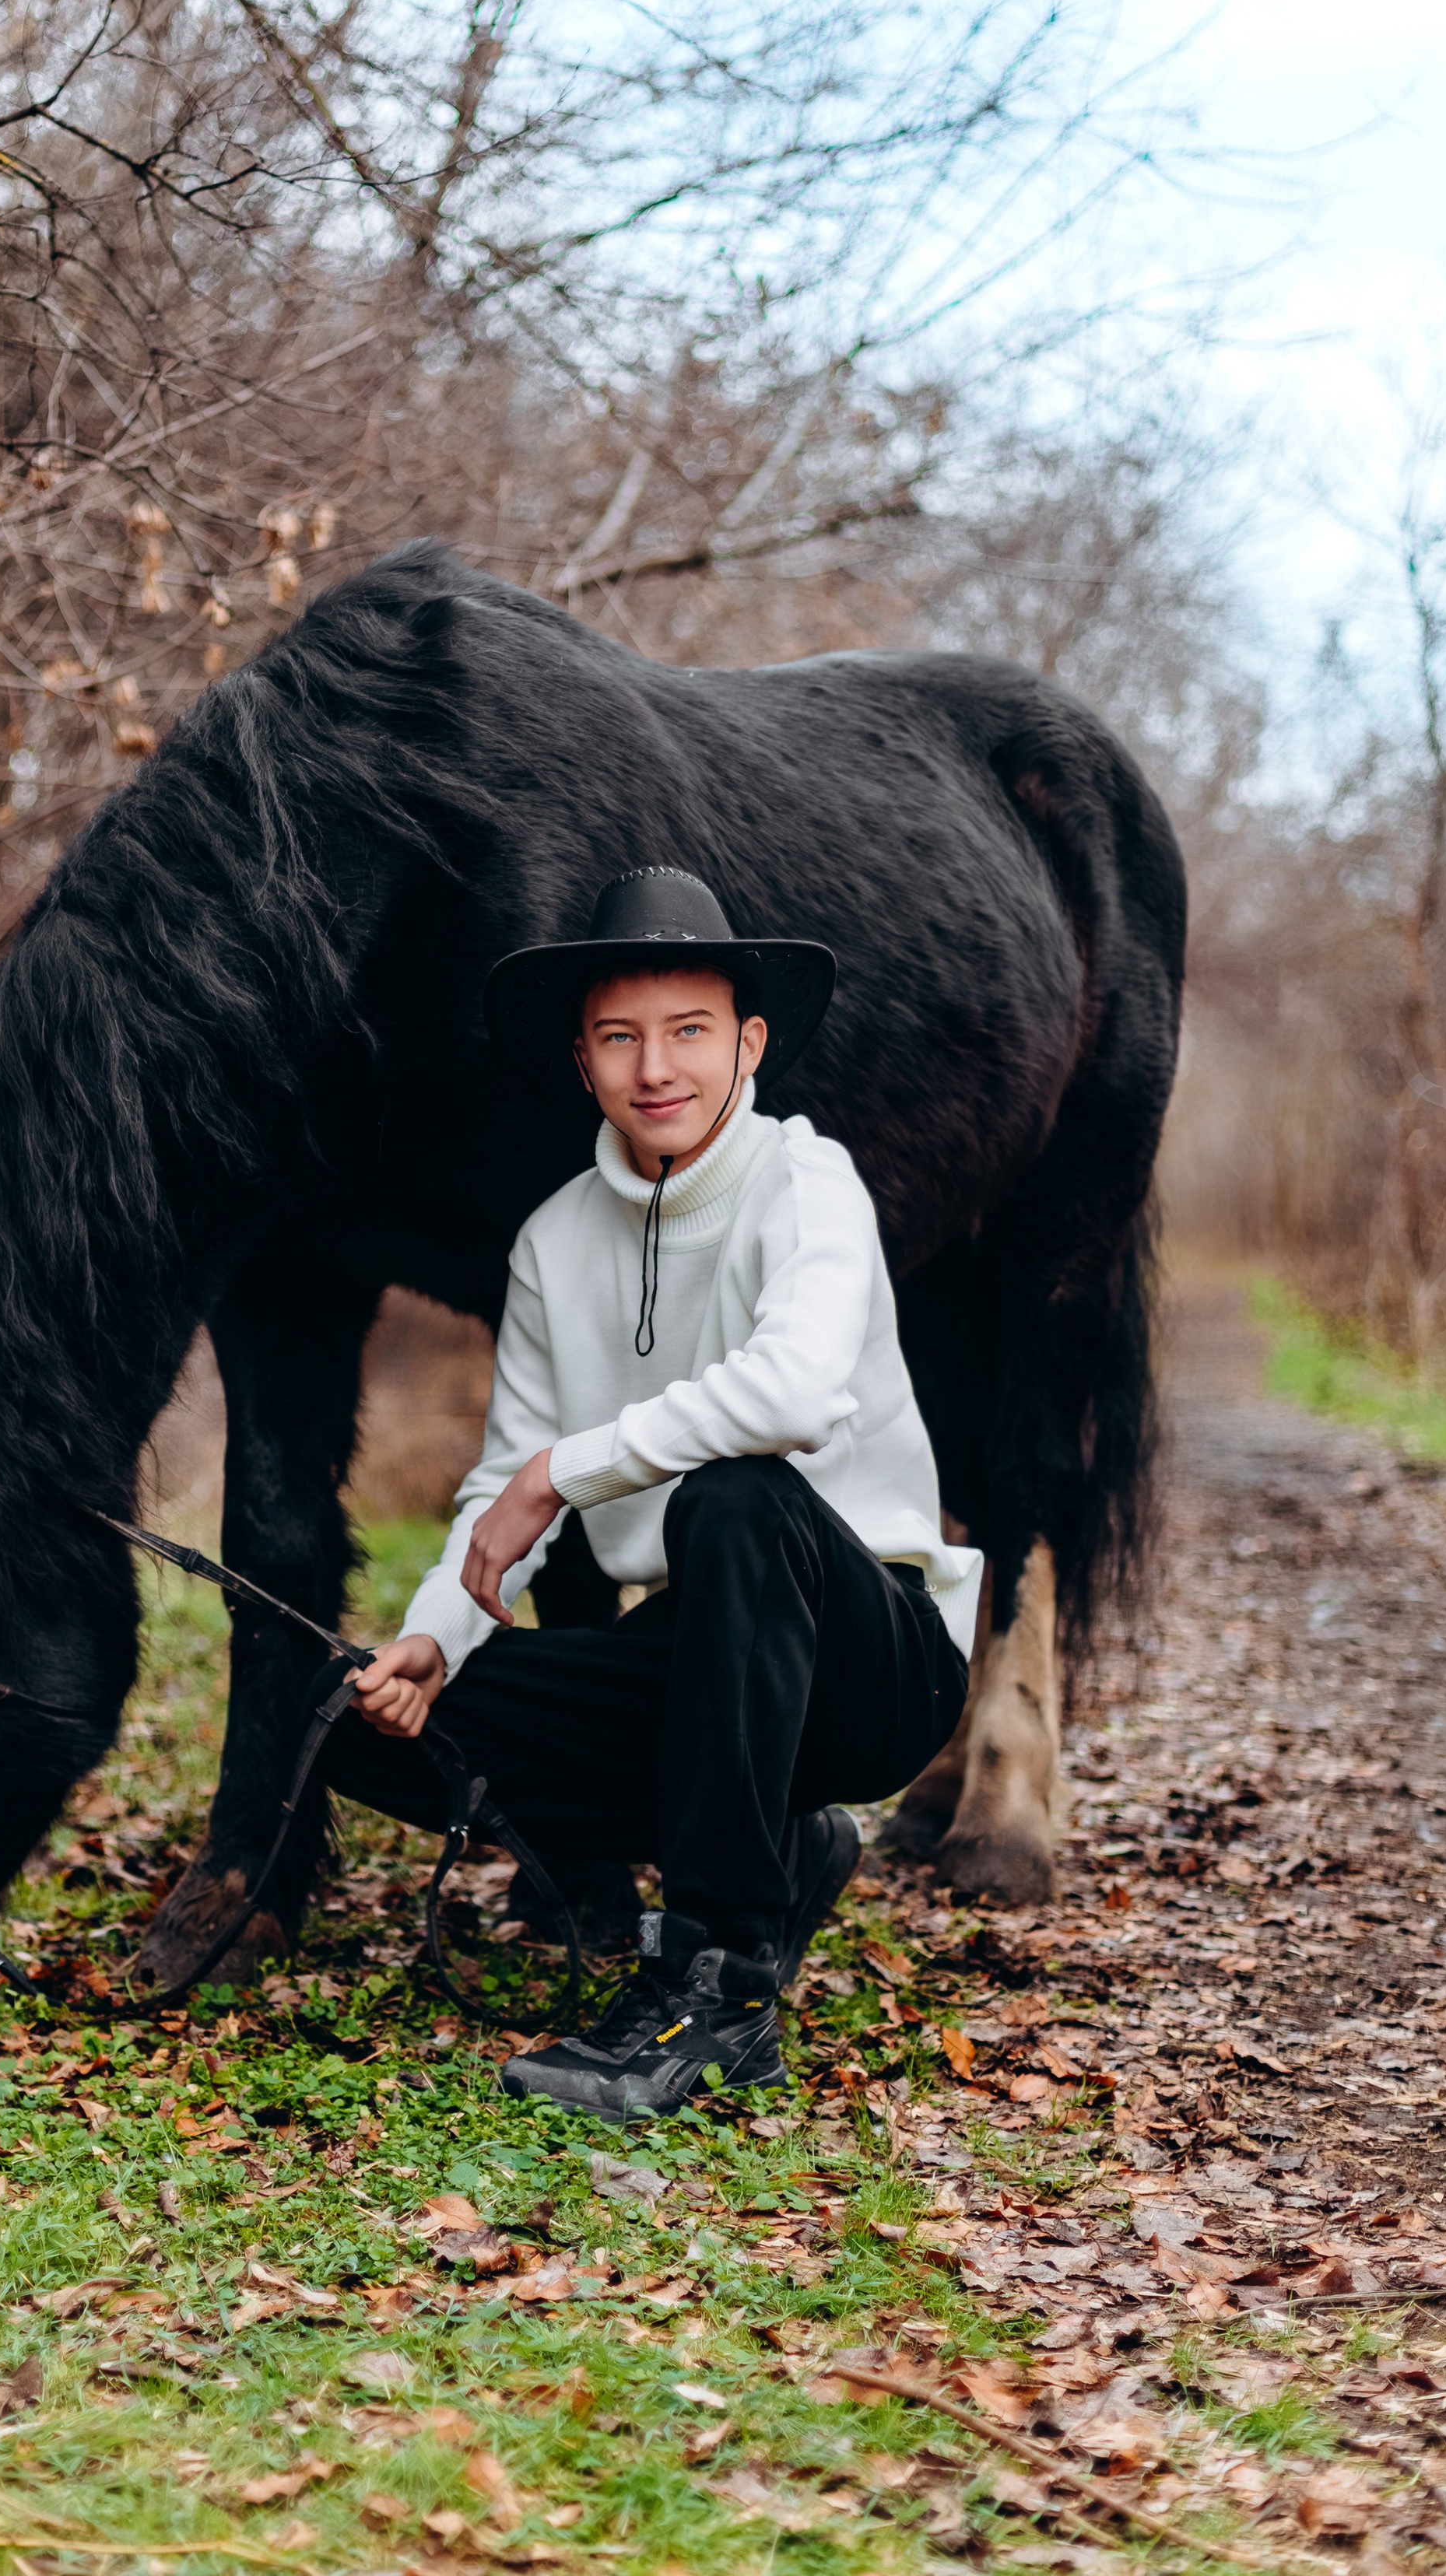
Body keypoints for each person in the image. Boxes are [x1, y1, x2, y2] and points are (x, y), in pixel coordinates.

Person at [324, 866, 979, 2116]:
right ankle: (779, 1845)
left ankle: (718, 1990)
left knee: (734, 1499)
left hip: (874, 1658)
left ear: (750, 1044)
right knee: (351, 1712)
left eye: (689, 1030)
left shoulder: (808, 1183)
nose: (656, 1067)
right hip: (708, 1667)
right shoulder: (553, 1240)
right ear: (582, 1061)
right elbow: (499, 1487)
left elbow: (789, 1394)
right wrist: (436, 1633)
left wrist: (563, 1472)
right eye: (620, 1037)